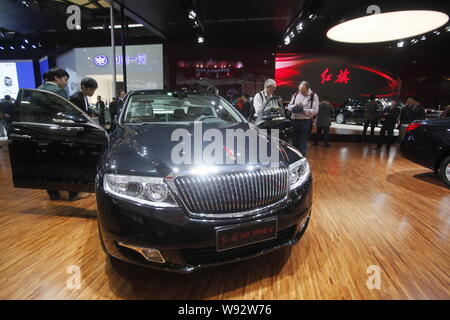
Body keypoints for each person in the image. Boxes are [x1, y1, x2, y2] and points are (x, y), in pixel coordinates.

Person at [37, 68, 75, 201]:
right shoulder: (59, 91)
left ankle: (52, 192)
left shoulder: (38, 90)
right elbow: (67, 111)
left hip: (41, 132)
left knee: (48, 164)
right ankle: (72, 192)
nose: (66, 82)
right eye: (65, 79)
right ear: (57, 78)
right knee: (66, 163)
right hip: (58, 132)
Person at [287, 81, 319, 156]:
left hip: (305, 122)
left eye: (303, 91)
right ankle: (294, 159)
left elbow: (315, 111)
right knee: (294, 143)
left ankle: (301, 161)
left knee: (302, 143)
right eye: (300, 90)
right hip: (295, 121)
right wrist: (295, 106)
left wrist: (303, 110)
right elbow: (289, 106)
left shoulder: (313, 96)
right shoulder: (296, 94)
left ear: (307, 89)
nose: (301, 93)